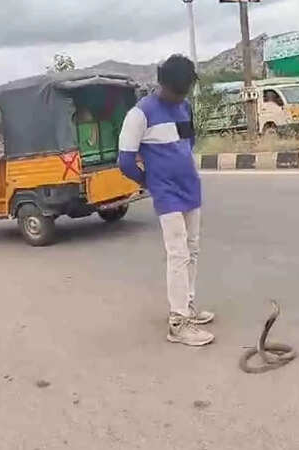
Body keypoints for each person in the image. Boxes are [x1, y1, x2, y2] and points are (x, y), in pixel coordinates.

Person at [117, 54, 214, 346]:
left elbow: (188, 143)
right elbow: (125, 161)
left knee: (193, 249)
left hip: (190, 188)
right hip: (167, 194)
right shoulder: (140, 114)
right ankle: (178, 323)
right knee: (178, 253)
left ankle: (188, 306)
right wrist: (151, 183)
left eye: (184, 91)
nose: (180, 97)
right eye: (177, 91)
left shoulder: (184, 107)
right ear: (162, 84)